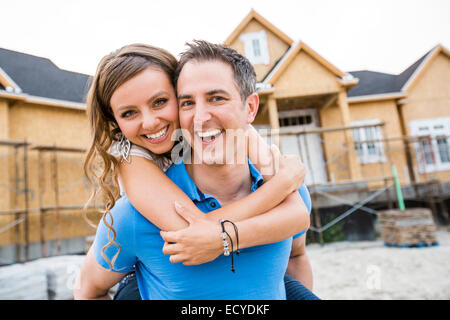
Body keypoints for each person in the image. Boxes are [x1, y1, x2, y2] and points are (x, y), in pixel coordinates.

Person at [74, 42, 318, 299]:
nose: (149, 121)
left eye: (159, 102)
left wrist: (281, 184)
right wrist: (278, 189)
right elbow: (87, 288)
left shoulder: (280, 176)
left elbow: (296, 254)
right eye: (188, 102)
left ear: (250, 108)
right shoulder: (133, 209)